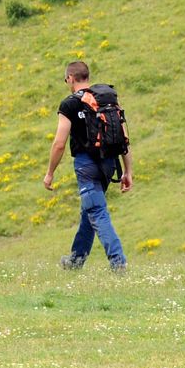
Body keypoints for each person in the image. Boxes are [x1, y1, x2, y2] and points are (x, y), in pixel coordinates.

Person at [44, 60, 132, 271]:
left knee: (97, 212)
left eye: (66, 79)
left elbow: (58, 144)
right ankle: (76, 260)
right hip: (109, 163)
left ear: (71, 78)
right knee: (89, 211)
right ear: (87, 77)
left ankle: (118, 262)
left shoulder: (70, 104)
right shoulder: (107, 99)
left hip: (86, 165)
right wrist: (128, 170)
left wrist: (49, 173)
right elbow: (124, 138)